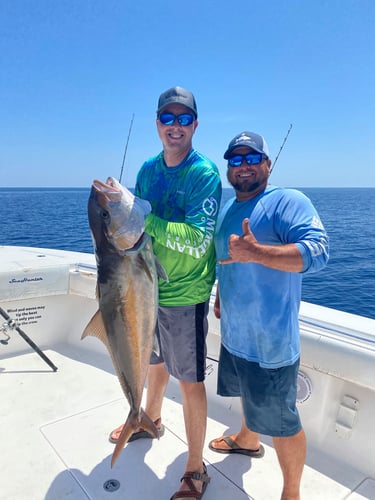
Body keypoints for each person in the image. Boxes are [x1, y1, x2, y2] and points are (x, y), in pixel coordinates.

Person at [109, 86, 221, 500]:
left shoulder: (203, 174)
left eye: (184, 119)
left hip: (186, 295)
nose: (175, 127)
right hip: (147, 288)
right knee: (153, 363)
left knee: (189, 380)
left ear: (195, 124)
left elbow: (196, 239)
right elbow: (134, 231)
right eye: (168, 118)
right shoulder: (147, 170)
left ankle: (195, 468)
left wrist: (142, 216)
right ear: (158, 123)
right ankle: (150, 420)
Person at [209, 131, 329, 500]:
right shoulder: (228, 209)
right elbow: (227, 260)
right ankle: (247, 439)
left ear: (266, 163)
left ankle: (291, 493)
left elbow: (318, 252)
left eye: (250, 158)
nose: (242, 166)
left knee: (284, 422)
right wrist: (220, 294)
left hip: (272, 343)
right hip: (235, 333)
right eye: (235, 160)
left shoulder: (287, 201)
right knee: (244, 391)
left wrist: (258, 254)